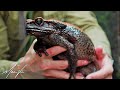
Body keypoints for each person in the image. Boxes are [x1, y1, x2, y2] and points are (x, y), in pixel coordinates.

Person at [0, 11, 113, 79]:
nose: (29, 26)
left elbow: (88, 24)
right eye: (27, 23)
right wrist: (19, 70)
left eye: (38, 22)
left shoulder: (54, 35)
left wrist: (101, 56)